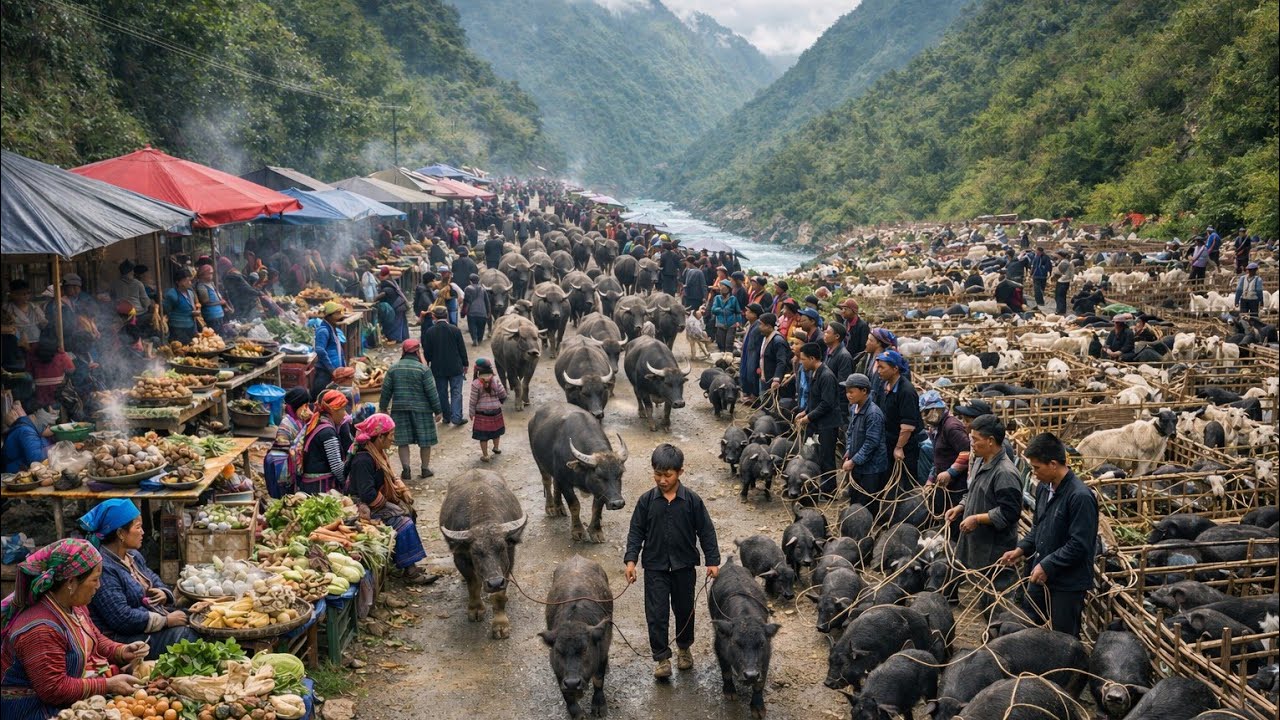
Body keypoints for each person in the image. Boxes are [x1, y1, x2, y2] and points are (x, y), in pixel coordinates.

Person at [0, 539, 147, 717]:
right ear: (71, 582)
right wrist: (107, 684)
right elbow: (54, 689)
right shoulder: (41, 629)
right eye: (95, 580)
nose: (99, 586)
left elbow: (94, 637)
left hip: (61, 703)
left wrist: (121, 650)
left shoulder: (74, 607)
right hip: (32, 710)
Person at [623, 444, 720, 680]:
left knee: (685, 609)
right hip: (655, 566)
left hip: (684, 566)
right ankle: (662, 658)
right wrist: (631, 560)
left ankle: (684, 648)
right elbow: (636, 532)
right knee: (656, 614)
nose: (662, 480)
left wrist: (712, 561)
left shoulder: (692, 501)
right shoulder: (646, 501)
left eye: (668, 475)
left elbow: (706, 531)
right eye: (658, 474)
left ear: (680, 473)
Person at [999, 432, 1098, 638]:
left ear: (1053, 464)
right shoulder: (1045, 488)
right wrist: (1021, 549)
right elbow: (1039, 528)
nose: (1033, 473)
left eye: (1036, 467)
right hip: (1042, 575)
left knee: (1063, 638)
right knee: (1028, 625)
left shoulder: (1080, 497)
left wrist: (1048, 564)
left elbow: (1079, 544)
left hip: (1067, 583)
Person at [80, 500, 195, 658]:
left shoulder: (133, 556)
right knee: (187, 636)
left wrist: (162, 592)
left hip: (149, 621)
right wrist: (165, 621)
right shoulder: (104, 569)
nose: (143, 532)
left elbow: (152, 577)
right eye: (138, 527)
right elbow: (121, 618)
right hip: (123, 639)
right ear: (121, 533)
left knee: (197, 618)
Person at [943, 415, 1022, 615]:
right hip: (977, 539)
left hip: (995, 546)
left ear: (990, 441)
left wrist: (977, 518)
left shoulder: (1005, 473)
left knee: (994, 597)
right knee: (976, 582)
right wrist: (961, 507)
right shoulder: (980, 460)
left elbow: (1009, 513)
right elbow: (973, 491)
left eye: (975, 439)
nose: (972, 443)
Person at [344, 414, 433, 583]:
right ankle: (410, 572)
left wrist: (402, 490)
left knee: (409, 512)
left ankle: (405, 562)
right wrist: (391, 505)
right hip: (363, 507)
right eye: (391, 435)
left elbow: (391, 477)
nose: (393, 439)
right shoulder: (363, 460)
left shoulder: (378, 453)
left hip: (375, 501)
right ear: (379, 437)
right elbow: (367, 494)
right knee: (403, 523)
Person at [379, 339, 443, 480]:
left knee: (402, 441)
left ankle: (406, 469)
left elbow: (386, 391)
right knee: (425, 441)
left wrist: (383, 408)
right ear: (417, 352)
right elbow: (431, 392)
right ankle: (425, 469)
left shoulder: (394, 369)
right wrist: (438, 410)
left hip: (400, 410)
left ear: (404, 351)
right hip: (423, 411)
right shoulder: (423, 370)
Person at [794, 343, 841, 490]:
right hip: (818, 423)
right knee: (818, 455)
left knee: (827, 458)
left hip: (827, 425)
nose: (801, 362)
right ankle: (821, 486)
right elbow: (815, 398)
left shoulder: (826, 376)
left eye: (803, 359)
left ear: (812, 358)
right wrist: (806, 411)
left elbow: (826, 403)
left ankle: (829, 490)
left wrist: (808, 418)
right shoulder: (814, 372)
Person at [875, 350, 923, 486]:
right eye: (878, 367)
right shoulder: (885, 385)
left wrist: (899, 447)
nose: (879, 371)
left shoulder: (906, 391)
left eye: (882, 367)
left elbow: (907, 425)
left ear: (895, 369)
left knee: (905, 483)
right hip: (889, 441)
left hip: (905, 446)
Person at [841, 373, 888, 506]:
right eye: (847, 392)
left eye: (851, 392)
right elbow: (850, 432)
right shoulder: (854, 408)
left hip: (872, 467)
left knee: (868, 502)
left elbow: (871, 443)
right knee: (855, 498)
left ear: (864, 391)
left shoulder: (873, 413)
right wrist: (849, 450)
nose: (848, 395)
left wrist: (853, 461)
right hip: (858, 464)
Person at [422, 307, 469, 427]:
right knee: (456, 392)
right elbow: (462, 349)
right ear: (446, 316)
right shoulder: (455, 330)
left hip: (438, 368)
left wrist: (427, 364)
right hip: (456, 367)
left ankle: (446, 417)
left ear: (433, 317)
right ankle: (457, 418)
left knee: (441, 393)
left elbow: (427, 353)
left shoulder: (430, 332)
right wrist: (465, 364)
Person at [299, 390, 349, 494]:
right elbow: (337, 467)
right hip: (319, 487)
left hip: (310, 484)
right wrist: (348, 484)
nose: (345, 414)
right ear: (333, 410)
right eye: (343, 409)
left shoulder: (317, 423)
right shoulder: (327, 432)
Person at [264, 388, 311, 498]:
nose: (307, 409)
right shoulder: (287, 424)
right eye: (306, 405)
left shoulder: (298, 420)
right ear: (299, 405)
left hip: (286, 464)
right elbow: (291, 447)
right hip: (280, 467)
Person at [468, 358, 507, 462]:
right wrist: (501, 400)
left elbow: (473, 400)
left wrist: (471, 413)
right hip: (496, 411)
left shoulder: (476, 383)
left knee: (483, 435)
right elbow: (502, 393)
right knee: (496, 431)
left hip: (482, 413)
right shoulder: (495, 379)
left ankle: (485, 455)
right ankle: (496, 447)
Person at [26, 337, 74, 410]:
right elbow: (71, 369)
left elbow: (28, 371)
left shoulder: (32, 357)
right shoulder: (61, 356)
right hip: (58, 398)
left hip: (39, 399)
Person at [821, 322, 854, 429]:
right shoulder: (829, 352)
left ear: (837, 336)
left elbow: (842, 384)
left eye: (827, 332)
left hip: (838, 406)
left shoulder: (843, 356)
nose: (824, 334)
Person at [3, 400, 49, 473]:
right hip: (17, 474)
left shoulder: (29, 428)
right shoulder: (25, 431)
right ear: (33, 415)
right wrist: (59, 448)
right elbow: (36, 459)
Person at [312, 302, 345, 398]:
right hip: (325, 371)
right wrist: (331, 368)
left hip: (332, 371)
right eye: (337, 314)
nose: (340, 317)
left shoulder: (332, 328)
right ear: (329, 316)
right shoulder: (323, 330)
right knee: (320, 396)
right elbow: (320, 350)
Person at [756, 313, 790, 402]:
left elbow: (781, 361)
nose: (759, 327)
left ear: (768, 326)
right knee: (765, 402)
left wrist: (776, 379)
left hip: (772, 380)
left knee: (771, 403)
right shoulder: (765, 337)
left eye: (761, 324)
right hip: (765, 378)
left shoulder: (778, 341)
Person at [2, 280, 45, 348]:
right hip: (17, 344)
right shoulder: (6, 308)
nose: (25, 296)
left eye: (27, 293)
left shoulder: (34, 307)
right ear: (13, 294)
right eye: (21, 294)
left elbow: (43, 323)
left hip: (36, 342)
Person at [162, 269, 200, 344]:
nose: (190, 283)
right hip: (177, 329)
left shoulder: (190, 293)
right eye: (186, 280)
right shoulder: (172, 294)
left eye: (190, 280)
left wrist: (194, 313)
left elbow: (192, 308)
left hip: (190, 327)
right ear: (178, 282)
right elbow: (166, 310)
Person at [374, 267, 411, 344]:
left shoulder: (387, 284)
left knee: (395, 324)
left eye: (381, 275)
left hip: (397, 306)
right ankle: (403, 338)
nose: (380, 277)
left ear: (385, 275)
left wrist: (375, 299)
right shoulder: (391, 282)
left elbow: (384, 293)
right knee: (401, 323)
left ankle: (395, 339)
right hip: (400, 305)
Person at [193, 262, 231, 334]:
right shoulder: (201, 286)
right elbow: (205, 302)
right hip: (211, 315)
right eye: (210, 273)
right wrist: (220, 302)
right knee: (216, 335)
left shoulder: (210, 284)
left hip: (218, 314)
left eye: (212, 273)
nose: (212, 275)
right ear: (203, 274)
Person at [738, 303, 763, 403]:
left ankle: (754, 396)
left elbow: (755, 346)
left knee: (752, 374)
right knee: (746, 372)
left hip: (753, 354)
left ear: (755, 314)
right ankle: (748, 393)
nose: (745, 313)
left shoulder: (757, 327)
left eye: (748, 311)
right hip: (747, 353)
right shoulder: (751, 324)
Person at [708, 281, 741, 353]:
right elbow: (713, 309)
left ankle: (728, 357)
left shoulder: (733, 299)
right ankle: (722, 357)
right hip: (720, 323)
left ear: (728, 289)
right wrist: (721, 310)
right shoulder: (717, 298)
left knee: (729, 342)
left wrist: (739, 323)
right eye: (721, 287)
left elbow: (738, 311)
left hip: (731, 324)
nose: (722, 289)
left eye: (724, 287)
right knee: (720, 343)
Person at [462, 274, 490, 347]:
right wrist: (488, 312)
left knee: (472, 326)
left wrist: (463, 312)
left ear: (470, 281)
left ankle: (474, 339)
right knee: (481, 327)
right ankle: (479, 339)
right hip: (482, 312)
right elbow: (487, 302)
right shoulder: (483, 289)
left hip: (471, 312)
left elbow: (466, 302)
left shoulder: (467, 288)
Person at [1053, 250, 1075, 315]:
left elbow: (1058, 272)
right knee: (1061, 296)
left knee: (1060, 296)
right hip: (1065, 281)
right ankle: (1061, 309)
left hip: (1063, 280)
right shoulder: (1066, 262)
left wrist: (1054, 276)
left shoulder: (1064, 263)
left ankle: (1060, 310)